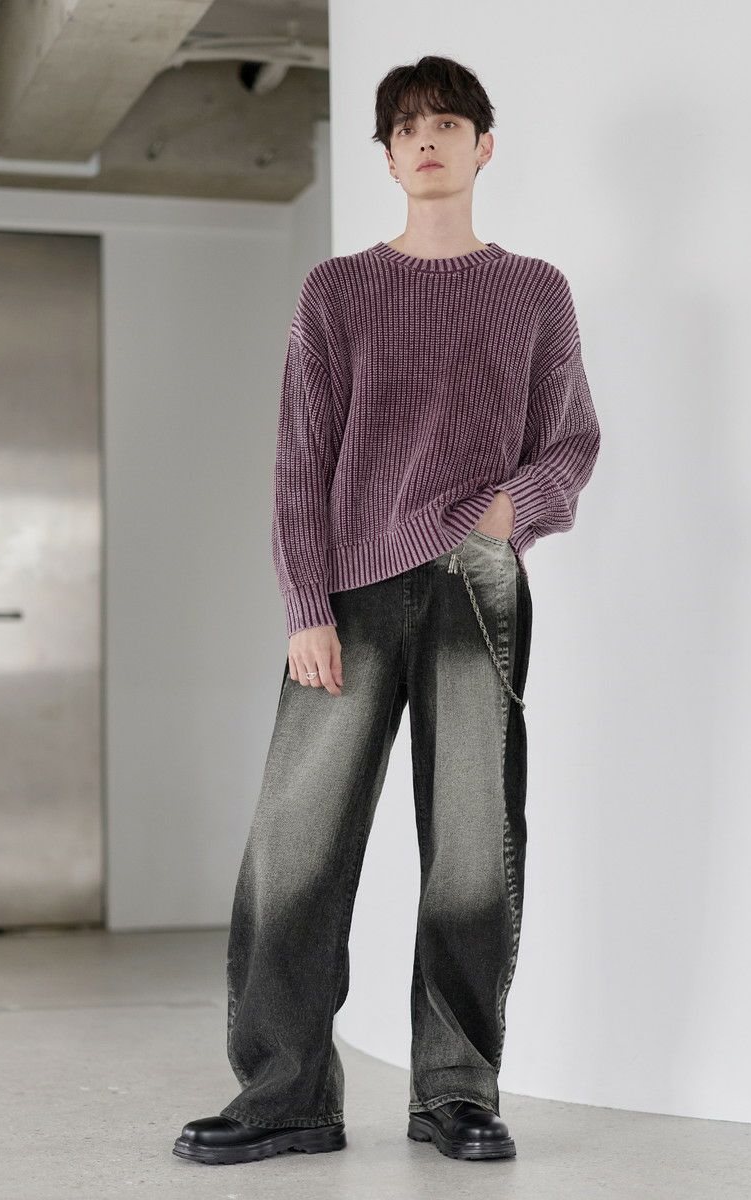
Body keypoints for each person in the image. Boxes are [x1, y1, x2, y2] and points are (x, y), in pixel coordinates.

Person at [173, 53, 601, 1167]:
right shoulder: (339, 291)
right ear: (387, 155)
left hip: (475, 583)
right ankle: (285, 1095)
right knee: (296, 846)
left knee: (471, 847)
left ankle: (456, 1093)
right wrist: (303, 605)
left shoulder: (534, 290)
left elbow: (570, 437)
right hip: (348, 596)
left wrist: (512, 512)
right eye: (407, 128)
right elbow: (300, 460)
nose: (426, 141)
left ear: (483, 147)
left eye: (447, 124)